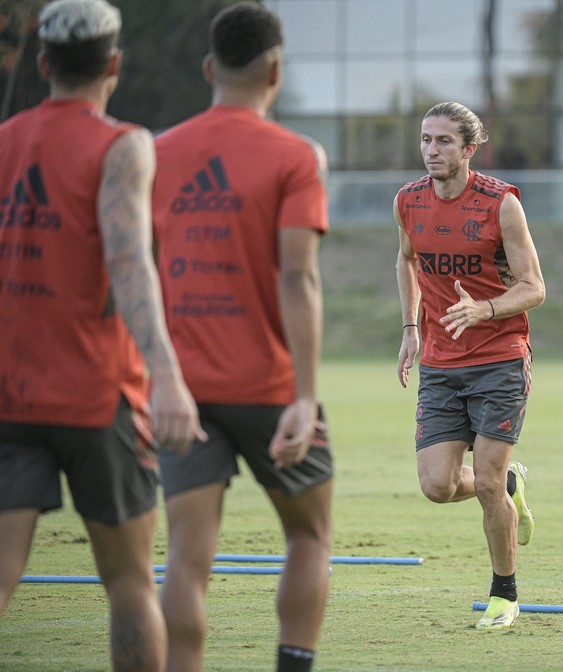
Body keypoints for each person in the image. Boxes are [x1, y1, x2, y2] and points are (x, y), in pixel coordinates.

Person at [0, 1, 205, 670]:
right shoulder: (123, 144)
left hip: (9, 394)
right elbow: (127, 261)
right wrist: (169, 376)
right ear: (114, 64)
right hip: (97, 395)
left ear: (42, 64)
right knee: (126, 584)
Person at [150, 3, 332, 671]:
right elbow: (299, 280)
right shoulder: (295, 155)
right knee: (310, 536)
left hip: (183, 392)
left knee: (187, 560)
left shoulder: (156, 153)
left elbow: (134, 274)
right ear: (276, 71)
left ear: (208, 68)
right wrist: (306, 397)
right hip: (272, 386)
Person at [394, 101, 546, 630]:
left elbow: (534, 287)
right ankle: (508, 485)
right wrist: (411, 328)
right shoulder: (408, 202)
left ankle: (505, 594)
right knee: (437, 485)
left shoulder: (501, 204)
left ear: (469, 148)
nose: (431, 150)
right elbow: (407, 258)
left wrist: (484, 308)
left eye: (443, 142)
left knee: (483, 478)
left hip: (500, 358)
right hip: (439, 361)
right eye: (425, 140)